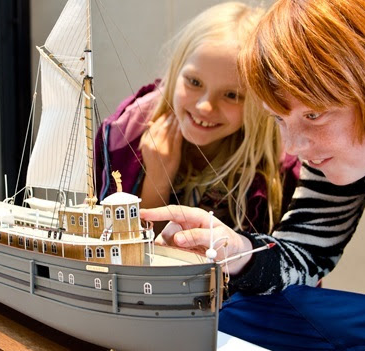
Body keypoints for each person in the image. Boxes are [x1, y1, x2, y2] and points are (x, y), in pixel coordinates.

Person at [141, 0, 365, 349]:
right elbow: (306, 251)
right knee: (233, 310)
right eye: (279, 119)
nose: (292, 146)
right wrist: (237, 251)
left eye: (313, 116)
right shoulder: (355, 147)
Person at [95, 2, 300, 235]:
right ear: (175, 72)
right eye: (194, 82)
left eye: (232, 95)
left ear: (258, 103)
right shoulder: (127, 134)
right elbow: (129, 251)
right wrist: (157, 181)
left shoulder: (278, 166)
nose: (204, 106)